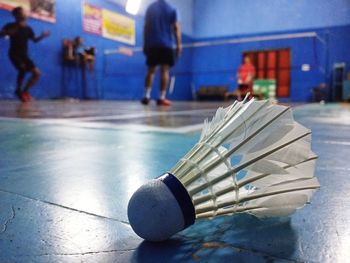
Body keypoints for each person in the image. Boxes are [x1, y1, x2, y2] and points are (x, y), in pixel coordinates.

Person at [0, 6, 50, 102]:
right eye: (24, 12)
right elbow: (1, 34)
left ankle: (24, 91)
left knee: (37, 74)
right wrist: (7, 32)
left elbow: (34, 40)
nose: (26, 14)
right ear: (17, 15)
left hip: (25, 55)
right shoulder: (9, 25)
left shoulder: (28, 29)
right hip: (14, 54)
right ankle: (18, 90)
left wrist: (42, 36)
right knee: (22, 69)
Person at [141, 0, 182, 106]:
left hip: (152, 44)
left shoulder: (150, 8)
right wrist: (179, 44)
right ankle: (161, 97)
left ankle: (146, 95)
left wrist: (145, 44)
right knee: (164, 71)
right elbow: (176, 27)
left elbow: (146, 27)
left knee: (151, 70)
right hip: (166, 45)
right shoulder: (172, 9)